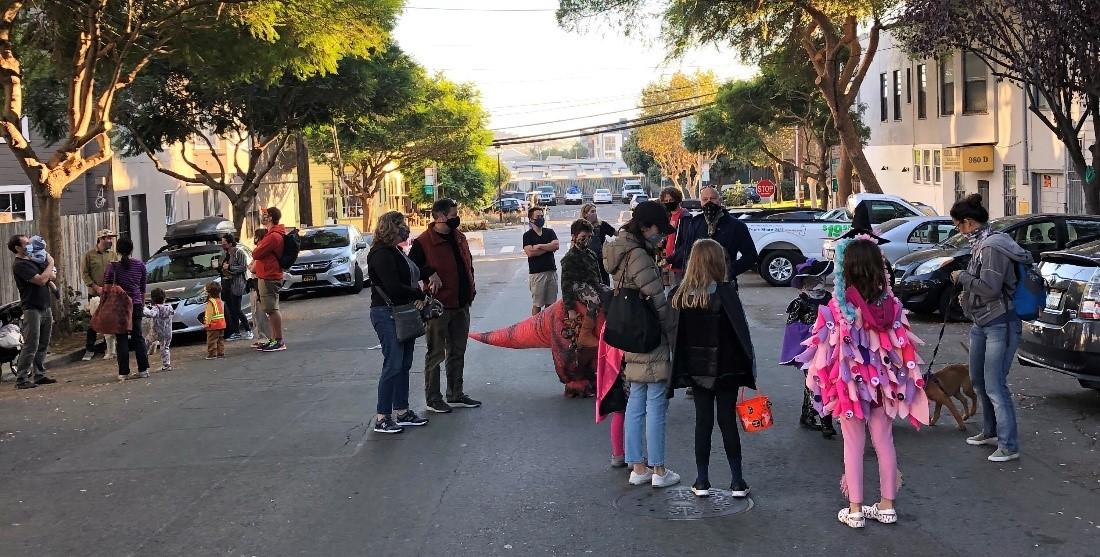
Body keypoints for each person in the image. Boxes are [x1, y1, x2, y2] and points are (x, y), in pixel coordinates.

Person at [796, 237, 929, 528]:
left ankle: (855, 509)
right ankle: (887, 505)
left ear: (847, 269)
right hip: (884, 386)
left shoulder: (838, 308)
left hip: (850, 388)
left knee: (853, 444)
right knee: (884, 441)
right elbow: (901, 348)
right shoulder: (892, 306)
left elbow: (825, 351)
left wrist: (820, 383)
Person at [669, 239, 756, 498]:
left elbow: (676, 336)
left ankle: (702, 479)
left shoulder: (681, 295)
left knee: (702, 422)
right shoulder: (726, 292)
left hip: (696, 370)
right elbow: (741, 334)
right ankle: (737, 481)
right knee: (727, 421)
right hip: (727, 368)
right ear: (718, 262)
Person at [602, 200, 679, 488]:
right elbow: (659, 302)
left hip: (629, 334)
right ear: (646, 227)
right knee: (656, 401)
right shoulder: (640, 257)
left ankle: (637, 467)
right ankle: (658, 470)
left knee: (635, 400)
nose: (662, 237)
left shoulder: (618, 251)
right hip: (650, 336)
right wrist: (673, 334)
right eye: (660, 230)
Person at [949, 194, 1031, 463]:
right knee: (979, 381)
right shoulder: (982, 243)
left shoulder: (992, 247)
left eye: (958, 226)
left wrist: (962, 278)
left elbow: (990, 288)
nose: (958, 232)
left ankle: (1008, 445)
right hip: (982, 322)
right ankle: (991, 432)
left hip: (1000, 323)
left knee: (995, 385)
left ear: (969, 222)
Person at [409, 198, 482, 414]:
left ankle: (455, 393)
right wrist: (428, 272)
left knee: (457, 351)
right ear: (440, 217)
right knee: (436, 353)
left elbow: (468, 265)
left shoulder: (459, 237)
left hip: (461, 304)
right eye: (453, 215)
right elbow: (410, 268)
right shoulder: (424, 242)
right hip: (438, 307)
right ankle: (433, 398)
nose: (456, 218)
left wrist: (471, 289)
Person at [367, 211, 430, 434]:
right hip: (387, 313)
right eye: (402, 224)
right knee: (393, 364)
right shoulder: (381, 254)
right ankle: (382, 416)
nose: (406, 227)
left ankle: (402, 411)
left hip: (402, 311)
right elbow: (393, 287)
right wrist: (418, 294)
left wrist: (430, 273)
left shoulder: (395, 250)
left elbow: (410, 273)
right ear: (391, 227)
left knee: (403, 364)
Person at [779, 259, 837, 438]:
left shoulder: (829, 298)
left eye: (820, 279)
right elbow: (792, 327)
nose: (817, 283)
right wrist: (811, 330)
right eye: (812, 280)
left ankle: (811, 415)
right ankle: (821, 419)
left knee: (827, 381)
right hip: (809, 350)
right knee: (814, 381)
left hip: (828, 348)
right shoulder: (800, 302)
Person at [557, 218, 610, 397]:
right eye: (583, 236)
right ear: (574, 236)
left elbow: (598, 277)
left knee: (609, 293)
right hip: (578, 287)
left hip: (593, 284)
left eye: (588, 236)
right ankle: (585, 333)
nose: (586, 240)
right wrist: (570, 307)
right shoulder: (569, 258)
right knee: (594, 299)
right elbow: (566, 283)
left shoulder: (591, 254)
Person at [671, 186, 757, 282]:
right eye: (705, 199)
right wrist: (671, 260)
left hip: (724, 285)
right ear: (701, 202)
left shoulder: (736, 226)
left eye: (712, 199)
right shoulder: (695, 223)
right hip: (698, 284)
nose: (709, 202)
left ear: (720, 201)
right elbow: (687, 249)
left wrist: (728, 271)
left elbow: (751, 256)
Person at [7, 235, 58, 389]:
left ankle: (40, 374)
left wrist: (48, 270)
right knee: (31, 344)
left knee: (43, 343)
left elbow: (51, 276)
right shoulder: (20, 265)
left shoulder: (32, 260)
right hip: (32, 308)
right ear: (17, 247)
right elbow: (42, 280)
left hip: (44, 305)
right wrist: (51, 263)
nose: (29, 245)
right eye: (26, 243)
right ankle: (21, 379)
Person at [104, 237, 151, 381]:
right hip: (136, 303)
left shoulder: (112, 267)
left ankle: (123, 372)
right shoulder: (140, 265)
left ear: (117, 250)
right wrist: (141, 304)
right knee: (138, 337)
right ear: (132, 249)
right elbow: (142, 288)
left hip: (120, 306)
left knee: (121, 338)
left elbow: (106, 288)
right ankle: (143, 369)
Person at [252, 207, 287, 352]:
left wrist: (259, 246)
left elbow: (256, 253)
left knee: (272, 309)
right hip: (267, 274)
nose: (262, 217)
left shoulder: (273, 236)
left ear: (271, 217)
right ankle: (274, 339)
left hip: (269, 275)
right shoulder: (271, 234)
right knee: (270, 309)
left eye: (265, 215)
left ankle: (278, 340)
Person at [81, 229, 118, 361]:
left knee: (111, 321)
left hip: (111, 294)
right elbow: (85, 274)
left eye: (111, 238)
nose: (110, 241)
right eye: (108, 238)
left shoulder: (113, 255)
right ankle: (89, 349)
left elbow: (116, 272)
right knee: (94, 322)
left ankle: (109, 348)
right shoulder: (89, 255)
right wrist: (96, 287)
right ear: (101, 239)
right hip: (95, 294)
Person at [523, 206, 560, 315]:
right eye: (537, 216)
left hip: (551, 271)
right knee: (537, 304)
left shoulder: (549, 232)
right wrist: (548, 248)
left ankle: (548, 326)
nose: (540, 218)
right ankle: (534, 327)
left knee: (551, 304)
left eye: (541, 216)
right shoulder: (527, 235)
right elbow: (530, 252)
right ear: (531, 219)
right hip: (537, 274)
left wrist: (539, 246)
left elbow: (556, 245)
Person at [219, 233, 252, 342]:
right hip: (226, 284)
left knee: (237, 309)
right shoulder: (224, 254)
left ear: (229, 243)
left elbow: (243, 267)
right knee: (231, 309)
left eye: (224, 243)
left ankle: (248, 330)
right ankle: (236, 332)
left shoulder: (239, 252)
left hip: (236, 284)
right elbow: (222, 267)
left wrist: (230, 267)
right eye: (221, 243)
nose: (222, 245)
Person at [580, 203, 616, 285]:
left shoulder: (602, 224)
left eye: (595, 211)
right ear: (585, 214)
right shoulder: (580, 226)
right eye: (592, 211)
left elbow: (617, 234)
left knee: (604, 284)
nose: (594, 213)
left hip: (601, 261)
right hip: (586, 262)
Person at [248, 229, 272, 348]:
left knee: (261, 312)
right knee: (255, 313)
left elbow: (253, 268)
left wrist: (251, 266)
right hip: (254, 283)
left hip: (259, 282)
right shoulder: (257, 251)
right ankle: (259, 336)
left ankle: (265, 337)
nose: (255, 239)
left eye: (256, 237)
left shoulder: (262, 251)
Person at [659, 187, 685, 287]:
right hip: (669, 264)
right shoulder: (669, 217)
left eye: (671, 200)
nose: (668, 203)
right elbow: (669, 237)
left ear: (677, 200)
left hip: (679, 265)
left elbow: (685, 243)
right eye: (666, 201)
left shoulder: (684, 216)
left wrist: (670, 259)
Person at [143, 288, 174, 371]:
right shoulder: (169, 307)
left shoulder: (156, 308)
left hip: (156, 331)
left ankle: (143, 361)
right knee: (165, 348)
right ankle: (167, 365)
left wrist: (144, 308)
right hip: (167, 332)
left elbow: (151, 314)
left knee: (146, 343)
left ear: (153, 299)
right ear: (164, 298)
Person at [202, 281, 227, 359]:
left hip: (213, 325)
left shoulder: (210, 302)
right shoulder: (220, 301)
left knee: (212, 340)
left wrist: (206, 324)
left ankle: (212, 354)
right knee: (220, 340)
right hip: (221, 324)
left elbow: (209, 314)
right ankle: (221, 353)